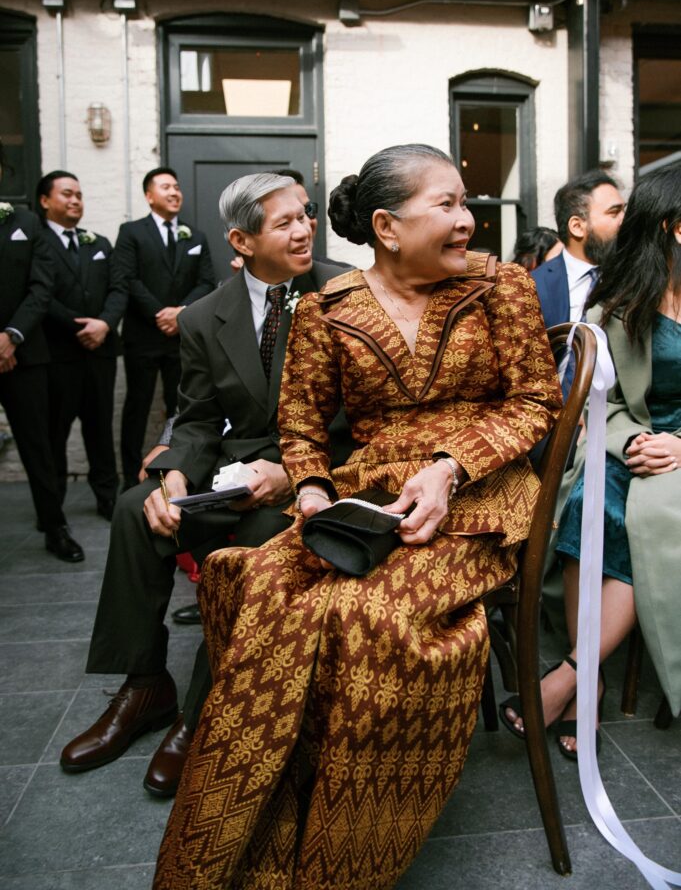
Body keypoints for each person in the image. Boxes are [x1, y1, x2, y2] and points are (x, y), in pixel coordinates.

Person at [153, 144, 561, 890]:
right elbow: (302, 428)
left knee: (368, 616)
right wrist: (310, 491)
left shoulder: (502, 286)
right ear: (386, 225)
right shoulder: (325, 308)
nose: (467, 220)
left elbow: (535, 401)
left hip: (482, 486)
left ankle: (344, 861)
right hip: (364, 493)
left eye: (465, 203)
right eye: (447, 205)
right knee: (253, 581)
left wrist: (448, 468)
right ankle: (249, 834)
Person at [60, 173, 349, 797]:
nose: (303, 230)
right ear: (240, 241)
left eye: (305, 215)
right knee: (139, 511)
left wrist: (295, 473)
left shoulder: (345, 291)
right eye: (284, 223)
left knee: (258, 535)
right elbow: (193, 416)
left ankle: (203, 711)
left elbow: (367, 417)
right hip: (231, 468)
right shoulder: (201, 317)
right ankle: (144, 687)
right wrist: (173, 476)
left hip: (313, 478)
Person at [501, 162, 681, 757]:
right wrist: (631, 441)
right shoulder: (620, 304)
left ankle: (573, 676)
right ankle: (593, 678)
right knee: (593, 492)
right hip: (634, 443)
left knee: (647, 515)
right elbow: (604, 406)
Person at [0, 149, 84, 562]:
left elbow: (40, 286)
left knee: (40, 446)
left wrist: (11, 336)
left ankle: (55, 527)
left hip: (25, 353)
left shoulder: (26, 222)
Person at [114, 167, 215, 489]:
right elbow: (127, 279)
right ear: (149, 196)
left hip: (180, 338)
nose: (174, 192)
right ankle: (130, 478)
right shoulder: (131, 232)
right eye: (165, 187)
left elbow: (206, 282)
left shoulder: (195, 236)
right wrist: (160, 313)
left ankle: (176, 473)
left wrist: (180, 313)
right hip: (143, 336)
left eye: (176, 186)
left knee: (182, 408)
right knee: (138, 406)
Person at [39, 171, 127, 520]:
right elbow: (39, 294)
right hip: (59, 353)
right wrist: (79, 326)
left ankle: (107, 497)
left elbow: (118, 288)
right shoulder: (36, 241)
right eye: (66, 194)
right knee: (54, 432)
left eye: (79, 194)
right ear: (45, 200)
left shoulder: (99, 243)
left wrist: (104, 323)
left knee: (100, 428)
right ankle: (53, 502)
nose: (75, 200)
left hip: (100, 351)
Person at [532, 169, 625, 328]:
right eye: (614, 212)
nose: (625, 219)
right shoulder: (535, 285)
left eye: (624, 210)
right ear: (577, 227)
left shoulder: (632, 277)